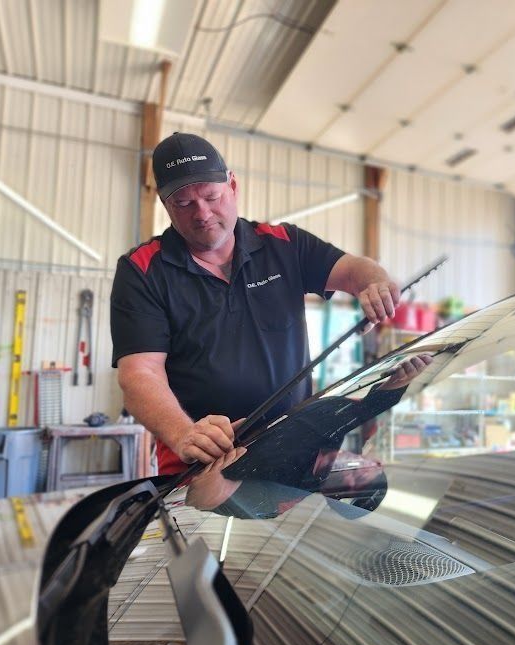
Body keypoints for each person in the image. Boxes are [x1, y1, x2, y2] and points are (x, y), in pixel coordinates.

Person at [110, 132, 402, 475]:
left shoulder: (283, 244)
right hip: (203, 466)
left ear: (232, 186)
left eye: (211, 196)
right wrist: (183, 433)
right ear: (165, 205)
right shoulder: (143, 270)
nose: (202, 213)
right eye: (184, 204)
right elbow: (140, 374)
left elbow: (354, 270)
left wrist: (374, 281)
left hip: (292, 452)